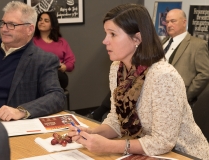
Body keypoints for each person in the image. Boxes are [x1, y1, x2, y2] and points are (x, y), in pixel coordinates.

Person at [68, 4, 209, 159]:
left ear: (137, 38)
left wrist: (109, 145)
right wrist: (92, 132)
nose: (105, 41)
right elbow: (117, 119)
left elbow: (163, 142)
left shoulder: (163, 76)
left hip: (182, 153)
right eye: (106, 34)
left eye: (112, 34)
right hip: (145, 149)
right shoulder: (117, 68)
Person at [0, 1, 65, 121]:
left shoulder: (42, 60)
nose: (4, 29)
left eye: (11, 24)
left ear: (29, 29)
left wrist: (21, 111)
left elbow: (57, 97)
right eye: (3, 23)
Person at [162, 9, 209, 106]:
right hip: (158, 100)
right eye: (167, 22)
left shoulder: (198, 45)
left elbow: (205, 73)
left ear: (184, 22)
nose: (169, 25)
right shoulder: (162, 43)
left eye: (173, 21)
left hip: (180, 103)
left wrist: (186, 95)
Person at [33, 11, 75, 89]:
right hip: (38, 76)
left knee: (54, 77)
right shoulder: (32, 42)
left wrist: (64, 67)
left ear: (52, 25)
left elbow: (71, 62)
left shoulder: (62, 42)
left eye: (46, 21)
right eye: (40, 20)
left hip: (57, 75)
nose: (41, 22)